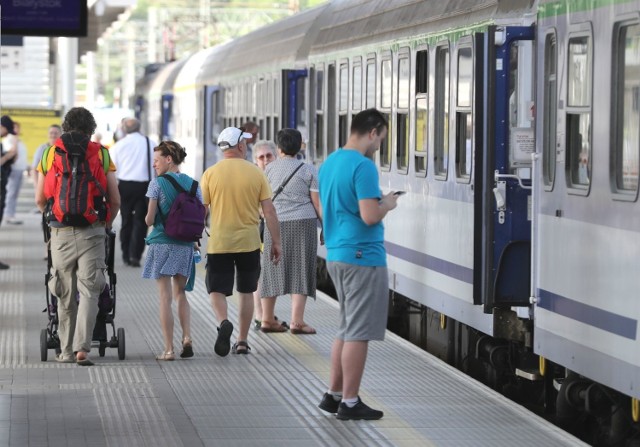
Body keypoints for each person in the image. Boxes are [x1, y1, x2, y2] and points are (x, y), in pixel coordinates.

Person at [316, 109, 399, 420]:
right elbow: (369, 215)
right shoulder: (363, 167)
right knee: (358, 333)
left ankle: (333, 394)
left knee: (346, 328)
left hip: (338, 253)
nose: (379, 145)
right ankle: (350, 402)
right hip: (363, 255)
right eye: (381, 138)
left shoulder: (329, 163)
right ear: (373, 131)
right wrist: (387, 204)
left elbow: (328, 208)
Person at [35, 107, 121, 366]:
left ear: (65, 126)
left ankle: (66, 351)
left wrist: (54, 221)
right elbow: (115, 200)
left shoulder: (50, 153)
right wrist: (103, 225)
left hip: (60, 231)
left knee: (64, 291)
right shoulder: (102, 154)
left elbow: (40, 198)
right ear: (90, 128)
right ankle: (83, 348)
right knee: (90, 290)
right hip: (93, 230)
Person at [200, 126, 282, 356]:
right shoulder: (256, 173)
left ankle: (223, 321)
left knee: (216, 289)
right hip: (249, 242)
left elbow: (201, 211)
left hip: (220, 241)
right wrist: (276, 242)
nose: (246, 145)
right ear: (239, 146)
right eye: (244, 142)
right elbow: (269, 212)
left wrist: (195, 238)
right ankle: (243, 341)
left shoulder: (210, 174)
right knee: (246, 291)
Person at [143, 141, 202, 361]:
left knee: (164, 297)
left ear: (169, 160)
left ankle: (168, 350)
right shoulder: (194, 185)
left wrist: (152, 216)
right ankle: (187, 337)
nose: (154, 165)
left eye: (156, 160)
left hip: (161, 243)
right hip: (185, 245)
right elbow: (200, 216)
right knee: (181, 294)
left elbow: (149, 219)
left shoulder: (156, 184)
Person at [260, 128, 322, 334]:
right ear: (299, 148)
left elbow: (262, 201)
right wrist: (326, 227)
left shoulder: (268, 170)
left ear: (278, 148)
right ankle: (297, 321)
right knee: (301, 269)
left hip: (274, 223)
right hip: (303, 223)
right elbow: (316, 203)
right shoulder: (308, 170)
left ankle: (267, 319)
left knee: (271, 268)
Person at [109, 118, 156, 267]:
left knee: (126, 220)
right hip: (144, 186)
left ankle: (125, 254)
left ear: (124, 129)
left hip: (124, 186)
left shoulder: (118, 146)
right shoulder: (150, 143)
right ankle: (136, 255)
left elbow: (112, 170)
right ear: (139, 127)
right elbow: (156, 166)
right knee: (141, 221)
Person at [251, 140, 277, 329]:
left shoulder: (279, 176)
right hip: (259, 231)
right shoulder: (254, 178)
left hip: (275, 228)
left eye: (269, 156)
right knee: (260, 275)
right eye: (262, 157)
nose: (266, 160)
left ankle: (267, 315)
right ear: (255, 161)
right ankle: (260, 315)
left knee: (271, 275)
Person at [1, 116, 27, 225]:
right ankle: (9, 214)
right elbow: (11, 154)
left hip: (17, 170)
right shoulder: (9, 139)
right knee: (11, 193)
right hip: (12, 170)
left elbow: (16, 156)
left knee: (13, 193)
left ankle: (10, 214)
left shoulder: (13, 139)